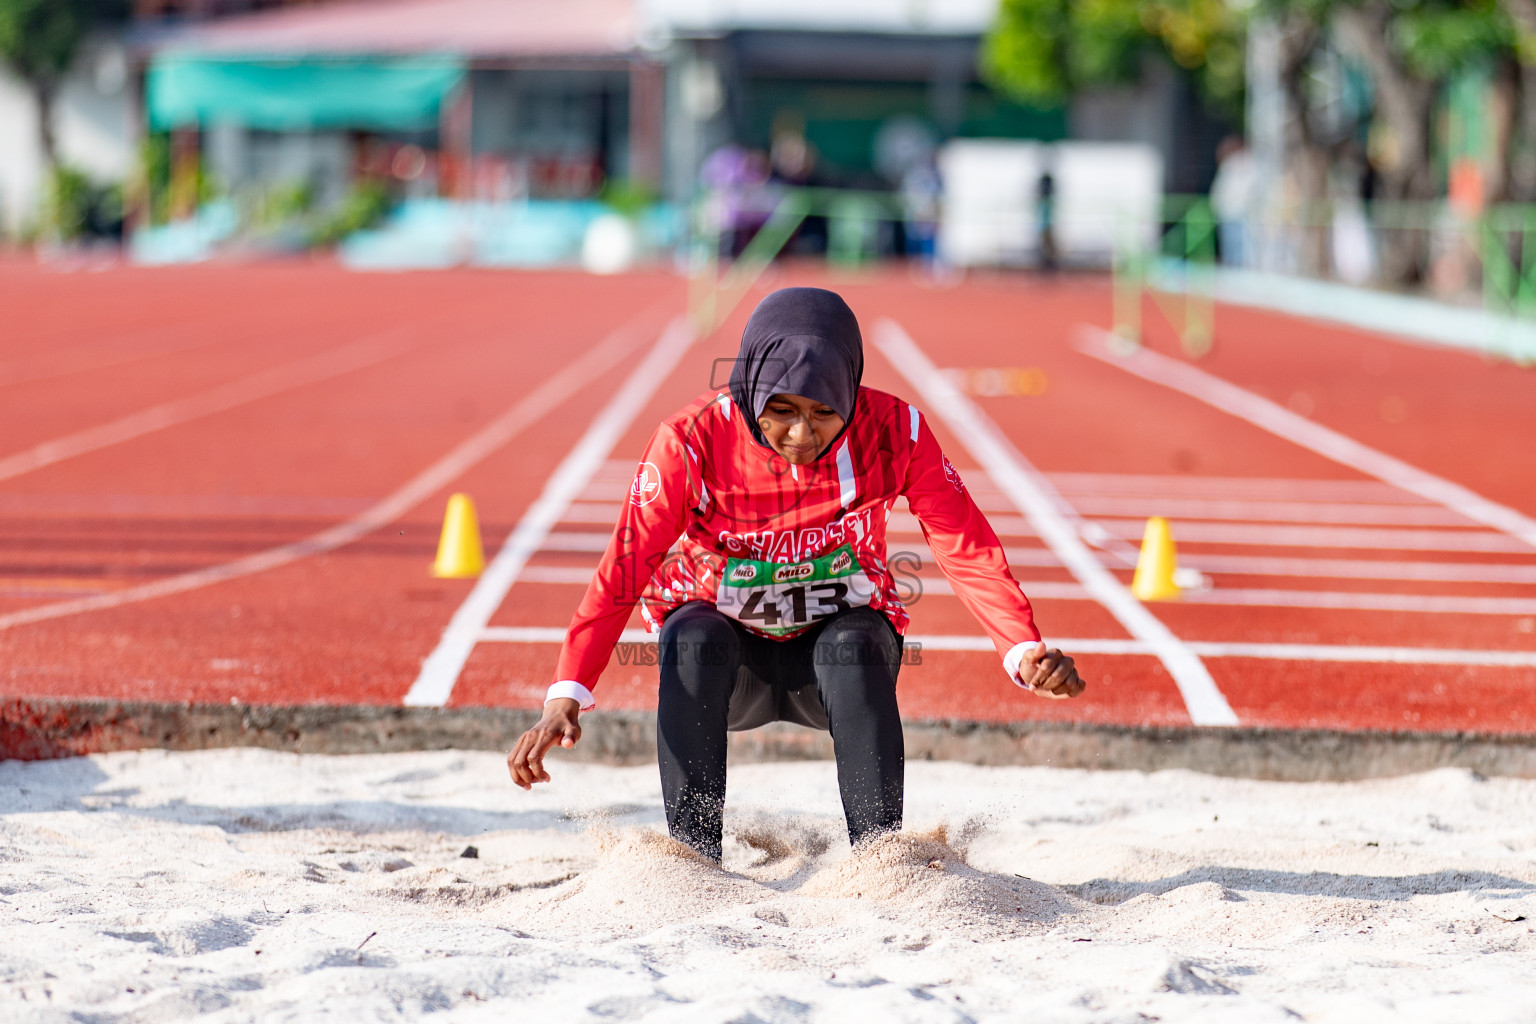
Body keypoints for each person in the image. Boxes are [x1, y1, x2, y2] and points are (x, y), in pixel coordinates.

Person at [507, 288, 1085, 862]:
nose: (801, 437)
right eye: (781, 410)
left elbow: (963, 543)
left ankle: (881, 863)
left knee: (856, 648)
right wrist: (567, 693)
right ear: (751, 387)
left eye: (824, 413)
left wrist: (1022, 649)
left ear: (852, 398)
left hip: (837, 659)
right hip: (728, 669)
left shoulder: (897, 432)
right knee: (691, 638)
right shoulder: (690, 442)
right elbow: (626, 566)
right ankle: (694, 859)